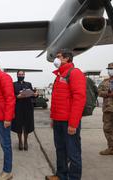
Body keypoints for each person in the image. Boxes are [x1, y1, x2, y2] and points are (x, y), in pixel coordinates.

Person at [46, 49, 86, 180]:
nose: (55, 59)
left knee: (73, 152)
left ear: (67, 58)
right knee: (60, 149)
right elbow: (56, 100)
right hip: (58, 120)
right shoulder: (59, 76)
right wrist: (53, 118)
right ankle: (61, 175)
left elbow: (79, 99)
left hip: (69, 121)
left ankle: (74, 177)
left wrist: (73, 123)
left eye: (58, 57)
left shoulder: (75, 73)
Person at [11, 70, 37, 151]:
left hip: (28, 107)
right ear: (17, 75)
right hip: (18, 107)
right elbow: (11, 95)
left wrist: (35, 95)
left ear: (24, 75)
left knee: (27, 125)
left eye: (22, 74)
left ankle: (25, 141)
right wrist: (17, 96)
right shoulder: (13, 84)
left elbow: (32, 94)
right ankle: (20, 141)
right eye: (19, 74)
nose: (21, 75)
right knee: (19, 125)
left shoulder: (28, 84)